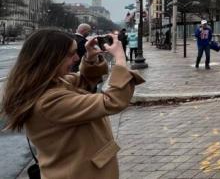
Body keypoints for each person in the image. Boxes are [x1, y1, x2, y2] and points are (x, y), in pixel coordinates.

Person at [1, 29, 144, 179]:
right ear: (51, 58)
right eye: (71, 54)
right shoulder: (48, 102)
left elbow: (82, 81)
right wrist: (120, 60)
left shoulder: (48, 85)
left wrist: (89, 58)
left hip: (83, 167)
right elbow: (113, 101)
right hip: (79, 173)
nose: (76, 58)